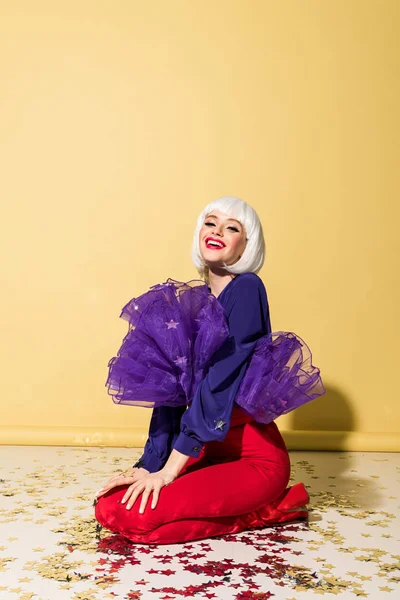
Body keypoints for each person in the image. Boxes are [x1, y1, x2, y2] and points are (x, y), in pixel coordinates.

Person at [94, 196, 325, 544]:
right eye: (210, 222)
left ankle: (271, 508)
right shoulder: (193, 301)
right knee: (109, 508)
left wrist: (170, 472)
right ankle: (249, 508)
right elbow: (168, 396)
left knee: (138, 520)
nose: (217, 231)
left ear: (246, 245)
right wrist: (149, 465)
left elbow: (219, 383)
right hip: (204, 453)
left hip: (253, 462)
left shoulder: (247, 289)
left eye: (232, 228)